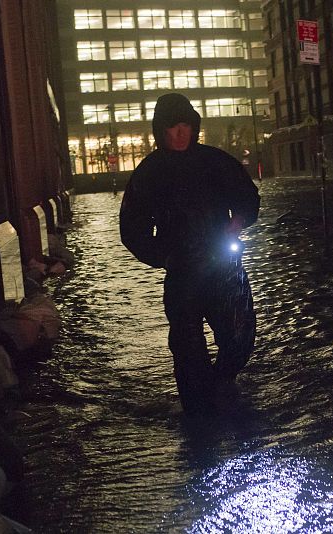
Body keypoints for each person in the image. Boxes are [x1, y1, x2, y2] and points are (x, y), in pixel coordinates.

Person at [119, 93, 260, 416]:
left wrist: (238, 221)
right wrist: (163, 256)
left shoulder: (216, 161)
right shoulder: (149, 172)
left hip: (225, 266)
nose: (180, 133)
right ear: (161, 130)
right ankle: (199, 419)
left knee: (240, 333)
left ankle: (222, 383)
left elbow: (247, 198)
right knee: (187, 347)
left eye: (186, 125)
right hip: (182, 272)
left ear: (194, 126)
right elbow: (132, 229)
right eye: (173, 127)